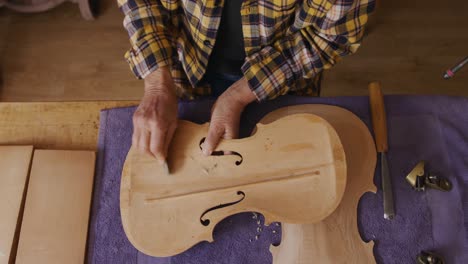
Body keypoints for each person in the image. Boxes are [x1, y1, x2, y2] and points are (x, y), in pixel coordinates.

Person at [118, 0, 375, 163]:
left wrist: (239, 94)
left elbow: (329, 38)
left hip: (283, 79)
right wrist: (157, 84)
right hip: (186, 71)